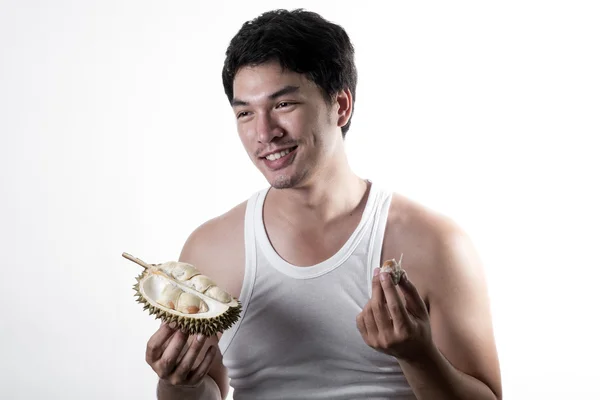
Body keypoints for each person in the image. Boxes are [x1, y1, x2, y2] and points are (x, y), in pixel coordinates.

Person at [144, 8, 502, 400]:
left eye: (283, 105)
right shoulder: (210, 250)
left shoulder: (433, 244)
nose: (264, 133)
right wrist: (180, 382)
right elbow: (204, 392)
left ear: (341, 106)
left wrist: (418, 357)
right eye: (245, 112)